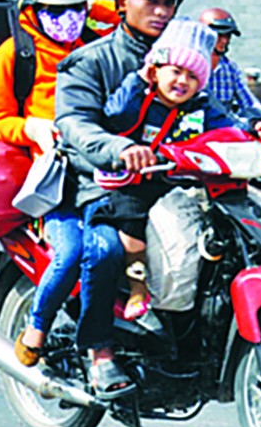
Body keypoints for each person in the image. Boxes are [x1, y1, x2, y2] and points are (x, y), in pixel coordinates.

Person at [55, 0, 192, 398]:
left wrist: (258, 135)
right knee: (107, 250)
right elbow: (73, 122)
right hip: (102, 183)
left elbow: (220, 108)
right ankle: (101, 353)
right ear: (121, 0)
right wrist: (119, 149)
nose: (161, 10)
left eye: (169, 1)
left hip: (172, 181)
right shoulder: (91, 60)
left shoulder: (187, 59)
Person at [0, 0, 98, 367]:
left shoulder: (93, 46)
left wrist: (89, 6)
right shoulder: (14, 55)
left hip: (104, 170)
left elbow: (119, 15)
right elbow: (1, 122)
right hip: (58, 181)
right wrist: (31, 128)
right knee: (73, 252)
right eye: (55, 11)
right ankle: (37, 327)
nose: (68, 19)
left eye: (76, 10)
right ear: (30, 10)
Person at [93, 18, 241, 320]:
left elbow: (231, 129)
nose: (182, 81)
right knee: (130, 224)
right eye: (175, 71)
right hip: (139, 182)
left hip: (183, 184)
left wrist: (256, 132)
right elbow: (115, 116)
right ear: (155, 70)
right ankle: (138, 286)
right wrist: (137, 80)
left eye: (192, 76)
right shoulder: (140, 99)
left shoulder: (201, 107)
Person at [198, 7, 261, 126]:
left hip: (224, 132)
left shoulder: (230, 69)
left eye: (228, 36)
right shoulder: (191, 68)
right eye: (219, 35)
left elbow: (249, 102)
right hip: (192, 133)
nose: (224, 41)